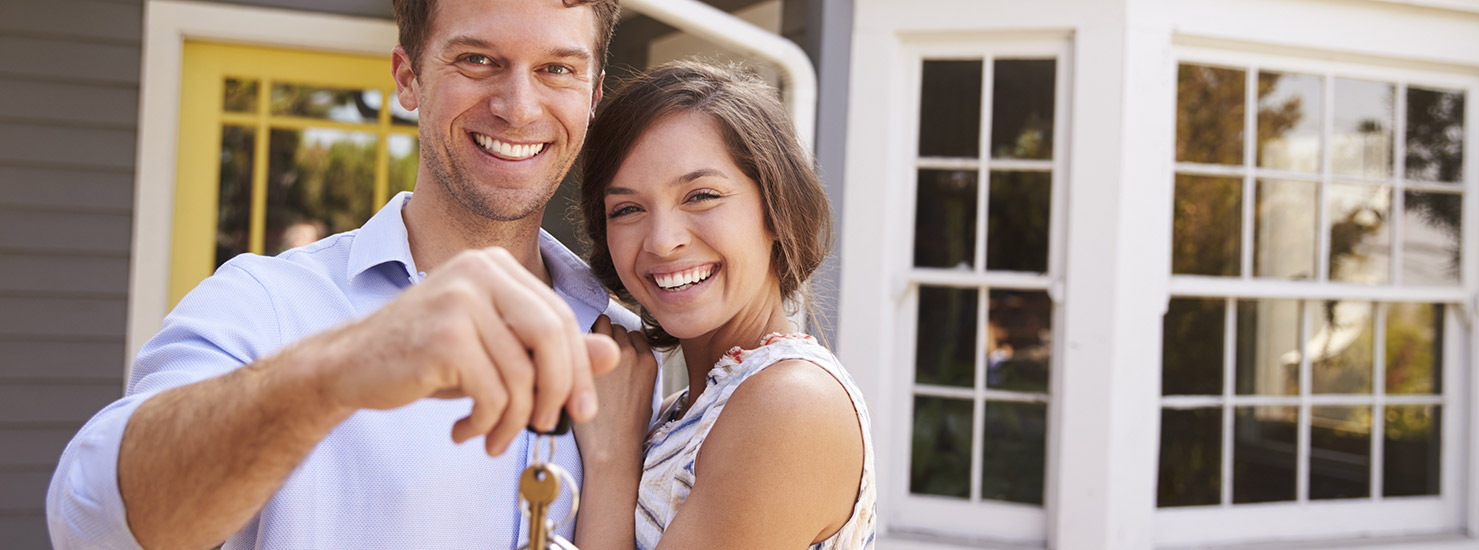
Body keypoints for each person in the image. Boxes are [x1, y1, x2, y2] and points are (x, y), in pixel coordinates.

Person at [45, 0, 655, 548]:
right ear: (408, 77)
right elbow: (90, 524)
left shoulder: (634, 348)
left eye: (557, 69)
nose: (518, 107)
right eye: (477, 59)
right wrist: (340, 368)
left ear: (594, 93)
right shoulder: (267, 305)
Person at [571, 61, 877, 549]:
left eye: (701, 195)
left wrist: (610, 457)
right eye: (627, 208)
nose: (663, 241)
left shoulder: (790, 405)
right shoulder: (684, 411)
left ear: (775, 209)